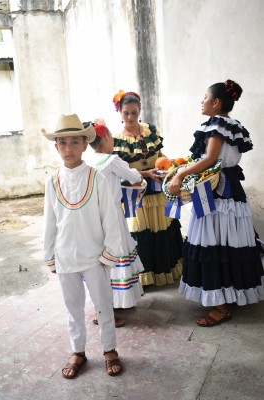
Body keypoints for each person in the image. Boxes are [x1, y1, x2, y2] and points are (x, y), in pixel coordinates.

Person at [168, 79, 264, 326]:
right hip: (230, 190)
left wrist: (180, 174)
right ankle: (227, 295)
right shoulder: (233, 125)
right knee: (228, 242)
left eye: (205, 97)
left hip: (217, 191)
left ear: (216, 102)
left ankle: (220, 307)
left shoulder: (217, 125)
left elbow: (210, 159)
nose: (202, 101)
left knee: (213, 243)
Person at [41, 113, 123, 378]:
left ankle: (109, 348)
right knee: (73, 306)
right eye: (62, 143)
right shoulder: (52, 181)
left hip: (95, 256)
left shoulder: (95, 177)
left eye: (74, 142)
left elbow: (109, 218)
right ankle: (78, 350)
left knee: (103, 304)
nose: (68, 148)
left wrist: (110, 253)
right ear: (56, 147)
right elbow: (50, 221)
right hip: (65, 256)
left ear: (85, 145)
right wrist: (49, 254)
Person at [112, 90, 183, 287]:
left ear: (139, 110)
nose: (130, 118)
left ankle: (164, 272)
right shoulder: (117, 140)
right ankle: (144, 278)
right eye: (126, 113)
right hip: (135, 195)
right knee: (141, 234)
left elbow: (161, 155)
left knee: (161, 229)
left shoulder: (150, 131)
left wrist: (168, 168)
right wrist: (146, 174)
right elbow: (119, 171)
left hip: (157, 191)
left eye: (134, 113)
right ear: (120, 112)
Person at [87, 119, 144, 320]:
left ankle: (101, 304)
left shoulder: (88, 162)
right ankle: (110, 309)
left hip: (93, 218)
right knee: (116, 255)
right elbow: (133, 177)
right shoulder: (112, 160)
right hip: (111, 217)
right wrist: (140, 174)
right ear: (108, 138)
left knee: (101, 259)